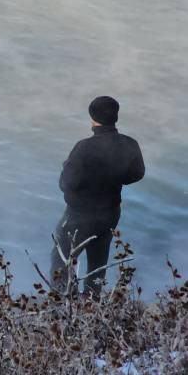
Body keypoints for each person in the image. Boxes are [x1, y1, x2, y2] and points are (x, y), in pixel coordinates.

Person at [50, 96, 145, 297]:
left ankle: (61, 307)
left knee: (62, 258)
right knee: (97, 262)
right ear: (115, 117)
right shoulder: (130, 144)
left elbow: (65, 184)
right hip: (110, 214)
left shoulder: (83, 148)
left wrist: (67, 168)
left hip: (79, 215)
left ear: (92, 117)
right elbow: (137, 174)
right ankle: (92, 307)